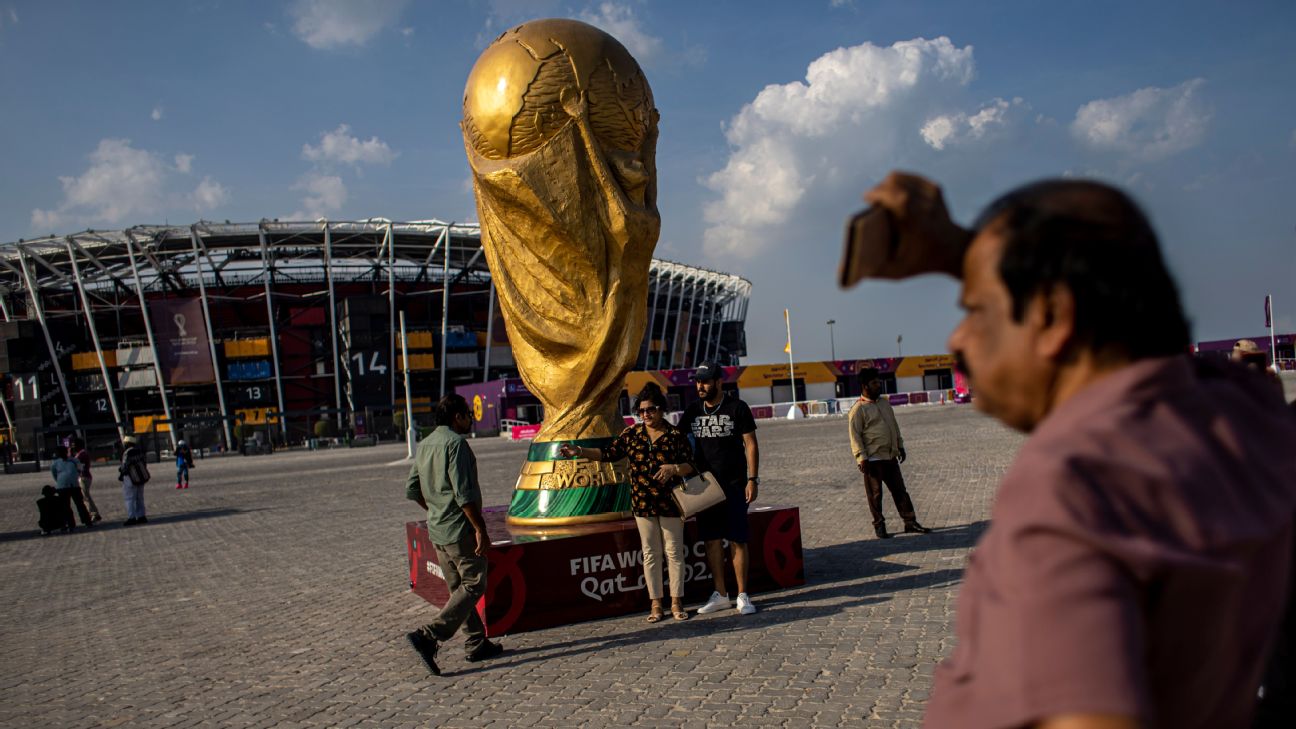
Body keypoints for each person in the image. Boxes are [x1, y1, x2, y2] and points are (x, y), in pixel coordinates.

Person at [848, 171, 1296, 729]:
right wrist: (968, 250)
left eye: (977, 310)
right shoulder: (1241, 411)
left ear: (1054, 315)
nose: (957, 341)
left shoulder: (1077, 488)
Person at [560, 383, 696, 623]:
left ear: (662, 409)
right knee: (651, 553)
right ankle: (656, 604)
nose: (646, 415)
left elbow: (691, 465)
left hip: (671, 502)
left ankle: (676, 601)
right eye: (641, 411)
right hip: (642, 502)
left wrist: (674, 468)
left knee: (674, 553)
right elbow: (607, 454)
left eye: (651, 410)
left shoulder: (675, 435)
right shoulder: (631, 435)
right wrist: (579, 451)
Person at [405, 394, 503, 676]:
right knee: (473, 584)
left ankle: (475, 642)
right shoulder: (456, 444)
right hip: (459, 529)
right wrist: (480, 530)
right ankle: (428, 635)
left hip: (437, 529)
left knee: (457, 587)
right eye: (468, 415)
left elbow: (411, 488)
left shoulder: (425, 445)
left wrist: (435, 507)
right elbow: (464, 495)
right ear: (457, 416)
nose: (470, 420)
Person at [679, 361, 760, 616]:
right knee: (712, 541)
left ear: (718, 382)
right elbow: (679, 441)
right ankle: (721, 594)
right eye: (697, 381)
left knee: (738, 539)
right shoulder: (692, 411)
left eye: (704, 381)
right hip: (706, 487)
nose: (700, 386)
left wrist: (752, 479)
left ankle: (743, 595)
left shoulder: (738, 408)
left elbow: (751, 444)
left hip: (735, 484)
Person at [848, 368, 931, 539]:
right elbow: (854, 436)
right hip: (872, 460)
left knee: (900, 491)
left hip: (890, 456)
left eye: (879, 382)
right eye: (874, 383)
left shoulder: (884, 403)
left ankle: (910, 522)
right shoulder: (858, 410)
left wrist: (900, 446)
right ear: (865, 386)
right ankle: (879, 526)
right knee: (875, 495)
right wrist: (861, 457)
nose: (879, 385)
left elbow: (894, 425)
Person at [50, 445, 92, 531]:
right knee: (77, 505)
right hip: (71, 486)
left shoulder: (58, 462)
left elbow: (54, 475)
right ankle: (84, 522)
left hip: (65, 486)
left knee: (69, 506)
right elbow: (80, 469)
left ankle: (72, 524)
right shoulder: (72, 461)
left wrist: (59, 481)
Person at [118, 435, 151, 526]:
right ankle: (141, 516)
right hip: (141, 478)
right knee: (140, 498)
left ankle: (131, 517)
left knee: (129, 498)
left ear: (127, 444)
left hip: (130, 478)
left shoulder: (127, 453)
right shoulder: (140, 452)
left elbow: (124, 467)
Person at [70, 437, 102, 523]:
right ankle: (93, 513)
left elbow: (77, 466)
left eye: (74, 445)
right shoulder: (80, 454)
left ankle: (94, 514)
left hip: (84, 477)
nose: (73, 447)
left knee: (86, 497)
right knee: (85, 497)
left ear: (79, 445)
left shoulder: (81, 454)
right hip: (84, 477)